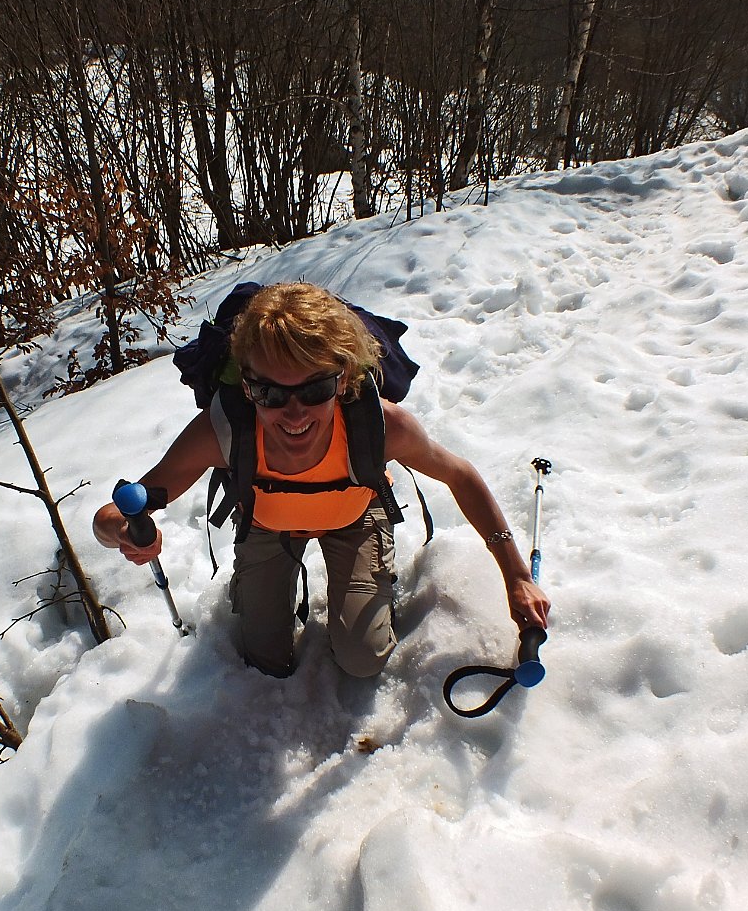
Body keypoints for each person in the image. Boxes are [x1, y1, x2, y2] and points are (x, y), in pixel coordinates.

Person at [93, 282, 550, 678]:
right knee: (263, 662)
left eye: (314, 389)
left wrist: (515, 575)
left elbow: (460, 475)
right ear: (247, 387)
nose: (294, 413)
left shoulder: (381, 425)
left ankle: (368, 591)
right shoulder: (225, 428)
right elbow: (118, 511)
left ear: (344, 378)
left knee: (362, 658)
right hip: (268, 524)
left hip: (354, 514)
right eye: (270, 393)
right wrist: (122, 530)